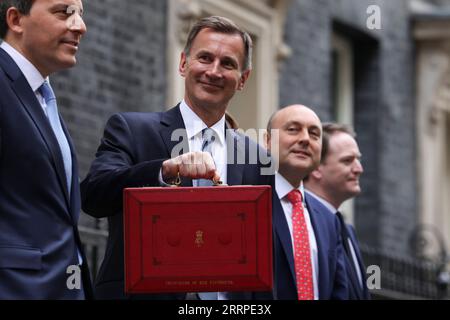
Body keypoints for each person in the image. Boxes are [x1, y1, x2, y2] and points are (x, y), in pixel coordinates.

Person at [80, 16, 272, 299]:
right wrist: (164, 171)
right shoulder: (132, 129)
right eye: (204, 58)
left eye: (228, 63)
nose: (214, 71)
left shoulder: (256, 157)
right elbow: (93, 196)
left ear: (243, 79)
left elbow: (263, 252)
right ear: (184, 64)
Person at [0, 0, 92, 299]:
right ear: (15, 19)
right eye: (63, 12)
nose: (79, 26)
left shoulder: (41, 95)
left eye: (80, 14)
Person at [265, 105, 348, 299]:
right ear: (268, 141)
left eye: (314, 134)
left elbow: (339, 292)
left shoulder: (329, 220)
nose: (305, 139)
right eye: (293, 129)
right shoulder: (249, 205)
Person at [304, 123, 370, 299]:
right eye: (347, 161)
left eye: (358, 159)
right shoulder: (302, 227)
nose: (359, 169)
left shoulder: (347, 231)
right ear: (316, 167)